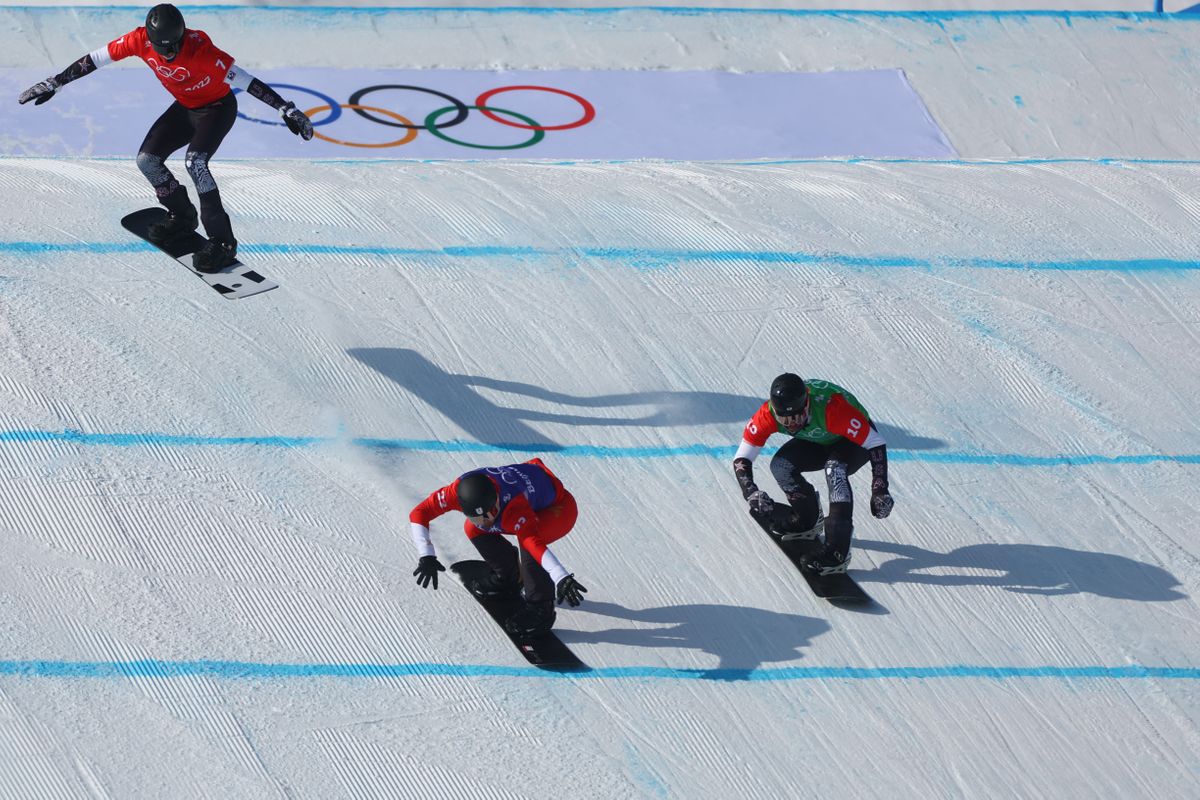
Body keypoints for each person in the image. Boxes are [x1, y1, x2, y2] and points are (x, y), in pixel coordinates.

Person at [17, 4, 314, 273]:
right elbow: (95, 58)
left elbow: (247, 81)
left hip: (216, 110)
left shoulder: (203, 52)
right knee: (147, 161)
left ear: (182, 37)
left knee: (195, 164)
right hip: (186, 108)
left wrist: (285, 108)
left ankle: (223, 243)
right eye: (163, 49)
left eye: (174, 48)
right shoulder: (138, 40)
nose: (169, 54)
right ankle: (183, 216)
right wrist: (56, 82)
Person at [733, 373, 894, 576]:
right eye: (785, 420)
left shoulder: (832, 409)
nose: (791, 424)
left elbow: (875, 442)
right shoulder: (767, 414)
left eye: (797, 417)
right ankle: (807, 519)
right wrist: (750, 492)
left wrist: (880, 488)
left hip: (850, 441)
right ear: (775, 411)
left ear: (807, 405)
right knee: (781, 466)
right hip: (820, 437)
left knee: (835, 469)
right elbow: (742, 458)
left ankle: (837, 552)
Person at [409, 458, 588, 637]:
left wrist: (561, 576)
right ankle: (510, 577)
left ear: (496, 497)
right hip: (530, 489)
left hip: (559, 509)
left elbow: (534, 544)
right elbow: (419, 513)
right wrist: (426, 555)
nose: (489, 520)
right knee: (473, 528)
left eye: (493, 511)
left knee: (528, 546)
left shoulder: (514, 506)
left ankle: (541, 608)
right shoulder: (453, 493)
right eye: (480, 517)